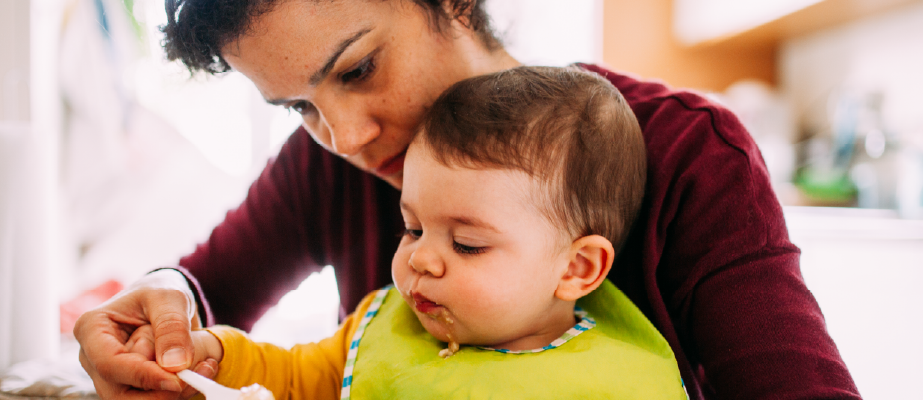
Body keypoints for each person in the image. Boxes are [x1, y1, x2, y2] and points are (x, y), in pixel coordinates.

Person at [74, 0, 861, 399]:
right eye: (296, 107)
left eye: (354, 71)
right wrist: (163, 309)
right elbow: (209, 291)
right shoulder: (326, 167)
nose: (343, 137)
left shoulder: (686, 151)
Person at [125, 66, 687, 399]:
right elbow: (297, 377)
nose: (421, 260)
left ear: (576, 268)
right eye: (412, 228)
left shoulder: (617, 383)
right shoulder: (380, 324)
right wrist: (213, 357)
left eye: (466, 243)